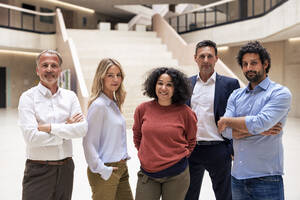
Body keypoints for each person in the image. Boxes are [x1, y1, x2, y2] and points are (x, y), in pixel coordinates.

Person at [218, 41, 292, 200]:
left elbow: (260, 123)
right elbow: (225, 131)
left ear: (265, 64)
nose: (248, 68)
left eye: (253, 63)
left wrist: (228, 121)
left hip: (267, 179)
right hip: (237, 177)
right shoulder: (236, 95)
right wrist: (256, 130)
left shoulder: (280, 93)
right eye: (244, 64)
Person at [18, 50, 88, 200]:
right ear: (38, 70)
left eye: (54, 65)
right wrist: (66, 128)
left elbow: (82, 129)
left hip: (66, 169)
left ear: (60, 71)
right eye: (45, 65)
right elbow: (31, 137)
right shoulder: (27, 98)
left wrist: (50, 127)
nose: (49, 69)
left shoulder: (70, 97)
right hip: (39, 169)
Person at [185, 40, 240, 200]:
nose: (206, 60)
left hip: (218, 149)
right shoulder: (186, 84)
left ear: (216, 58)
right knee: (188, 195)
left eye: (210, 56)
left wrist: (231, 148)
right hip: (191, 150)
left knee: (225, 195)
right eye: (202, 56)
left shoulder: (230, 84)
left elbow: (237, 117)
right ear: (195, 58)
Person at [133, 67, 197, 200]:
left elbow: (191, 141)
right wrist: (147, 154)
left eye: (169, 84)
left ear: (176, 88)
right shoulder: (142, 109)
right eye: (160, 83)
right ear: (154, 85)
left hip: (176, 174)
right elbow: (137, 136)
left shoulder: (186, 112)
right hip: (148, 174)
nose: (163, 88)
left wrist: (179, 157)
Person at [82, 58, 133, 200]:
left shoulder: (114, 104)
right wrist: (103, 170)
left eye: (118, 75)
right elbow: (88, 142)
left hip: (121, 168)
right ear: (101, 77)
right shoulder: (99, 105)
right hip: (106, 169)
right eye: (110, 75)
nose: (115, 79)